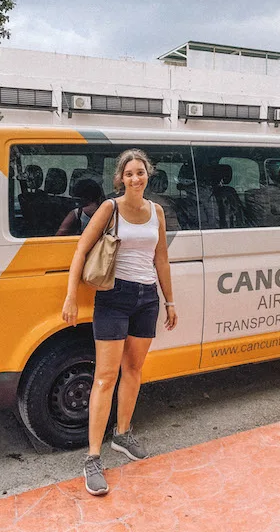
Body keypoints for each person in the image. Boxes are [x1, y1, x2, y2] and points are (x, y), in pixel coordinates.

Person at [61, 149, 178, 496]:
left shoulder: (156, 212)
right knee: (105, 376)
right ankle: (93, 458)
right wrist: (70, 295)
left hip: (147, 299)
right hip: (113, 298)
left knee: (134, 369)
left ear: (148, 175)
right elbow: (81, 249)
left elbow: (161, 259)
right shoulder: (109, 209)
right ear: (120, 178)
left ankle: (123, 434)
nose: (135, 178)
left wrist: (169, 301)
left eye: (140, 172)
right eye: (128, 174)